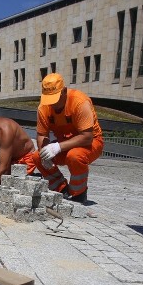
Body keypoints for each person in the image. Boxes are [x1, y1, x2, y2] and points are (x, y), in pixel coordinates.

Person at [35, 73, 104, 203]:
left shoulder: (79, 102)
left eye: (55, 99)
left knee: (74, 156)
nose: (53, 104)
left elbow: (87, 137)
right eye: (49, 99)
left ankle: (79, 193)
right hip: (65, 144)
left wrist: (57, 147)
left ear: (64, 91)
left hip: (91, 143)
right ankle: (62, 189)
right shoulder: (43, 107)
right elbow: (42, 134)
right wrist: (44, 151)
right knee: (37, 157)